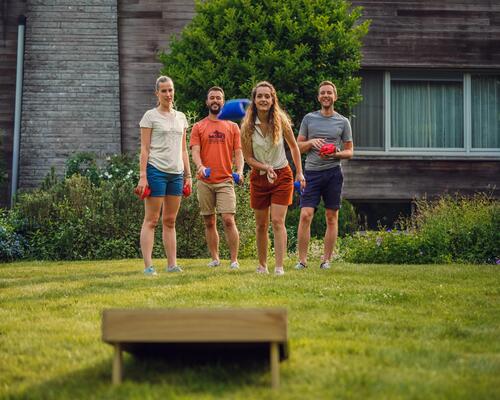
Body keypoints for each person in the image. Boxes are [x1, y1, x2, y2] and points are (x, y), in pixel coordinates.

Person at [241, 81, 305, 275]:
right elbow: (248, 158)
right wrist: (264, 167)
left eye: (267, 96)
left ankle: (279, 267)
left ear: (272, 99)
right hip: (259, 178)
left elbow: (294, 147)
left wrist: (299, 172)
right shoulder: (247, 127)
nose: (263, 99)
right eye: (259, 96)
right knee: (261, 224)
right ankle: (262, 265)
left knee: (278, 222)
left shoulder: (281, 121)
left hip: (282, 175)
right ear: (254, 100)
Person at [135, 76, 192, 275]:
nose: (168, 94)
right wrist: (143, 176)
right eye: (164, 91)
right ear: (157, 94)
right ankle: (149, 267)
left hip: (176, 174)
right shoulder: (150, 116)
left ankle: (172, 265)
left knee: (170, 221)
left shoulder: (181, 117)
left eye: (171, 90)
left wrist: (188, 175)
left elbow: (184, 149)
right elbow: (144, 148)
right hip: (156, 171)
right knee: (151, 220)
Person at [295, 80, 353, 270]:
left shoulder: (343, 122)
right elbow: (298, 147)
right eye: (322, 93)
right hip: (311, 172)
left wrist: (335, 152)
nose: (326, 96)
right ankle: (302, 261)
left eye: (329, 93)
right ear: (319, 97)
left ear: (335, 97)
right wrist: (312, 142)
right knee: (306, 215)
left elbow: (350, 152)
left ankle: (326, 260)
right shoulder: (309, 119)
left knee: (331, 216)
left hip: (333, 174)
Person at [190, 86, 244, 270]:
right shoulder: (199, 126)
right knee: (209, 221)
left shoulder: (232, 126)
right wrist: (200, 166)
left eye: (218, 98)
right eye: (212, 97)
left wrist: (241, 170)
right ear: (207, 102)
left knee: (228, 219)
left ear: (223, 101)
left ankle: (234, 260)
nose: (215, 101)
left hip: (225, 181)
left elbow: (238, 152)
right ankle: (215, 258)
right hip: (205, 181)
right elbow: (195, 152)